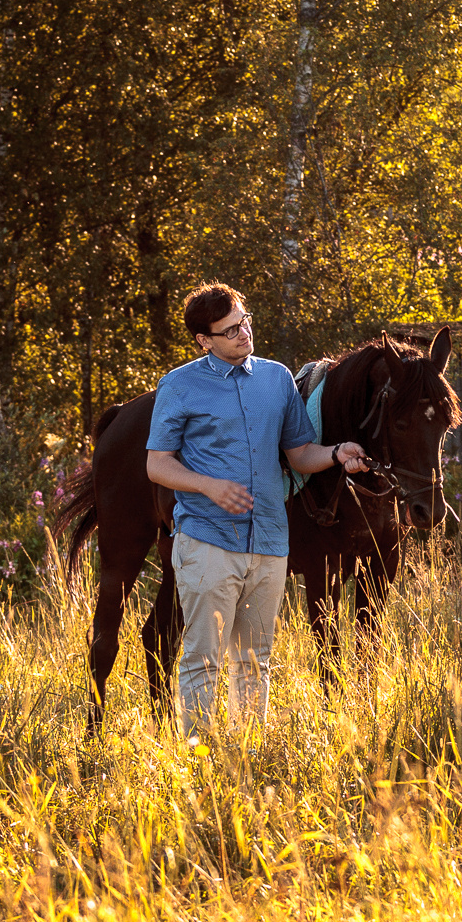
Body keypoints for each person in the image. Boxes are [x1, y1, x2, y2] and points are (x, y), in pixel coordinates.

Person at [146, 284, 370, 736]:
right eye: (230, 331)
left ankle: (247, 760)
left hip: (269, 541)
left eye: (245, 321)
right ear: (204, 340)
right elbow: (157, 464)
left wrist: (338, 452)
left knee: (254, 661)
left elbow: (300, 453)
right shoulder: (179, 386)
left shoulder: (277, 379)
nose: (244, 334)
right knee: (202, 660)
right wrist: (208, 486)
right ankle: (199, 761)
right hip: (207, 539)